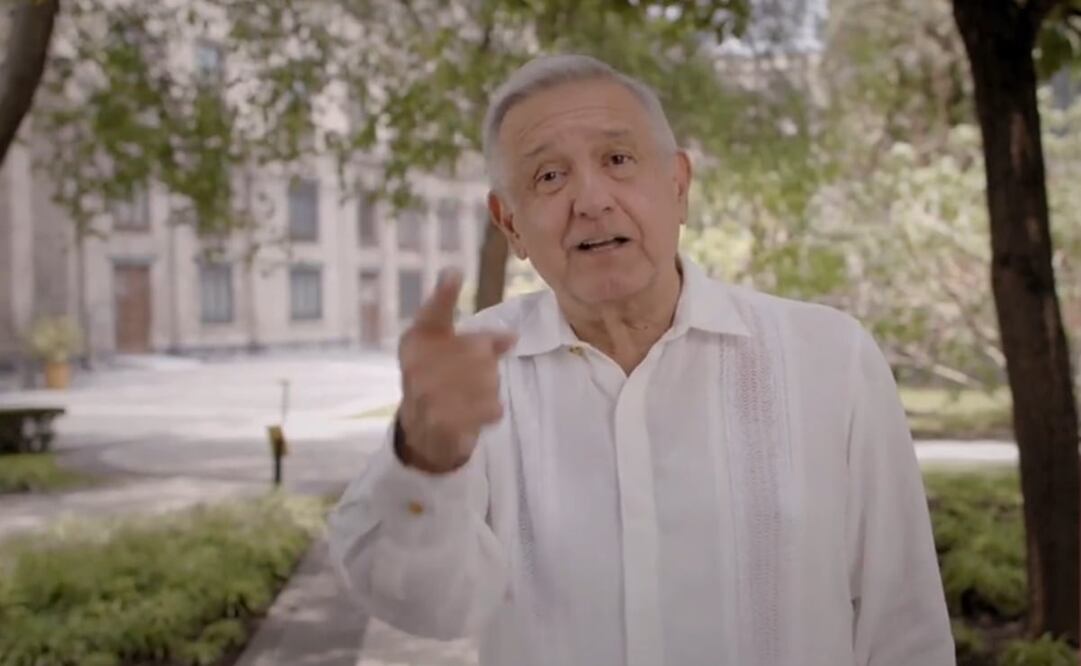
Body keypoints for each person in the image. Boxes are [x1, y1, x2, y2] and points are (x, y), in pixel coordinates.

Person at [328, 54, 955, 666]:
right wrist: (427, 462)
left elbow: (904, 626)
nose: (592, 199)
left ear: (677, 186)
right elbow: (420, 607)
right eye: (549, 176)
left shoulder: (831, 359)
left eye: (618, 160)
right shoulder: (478, 375)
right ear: (510, 224)